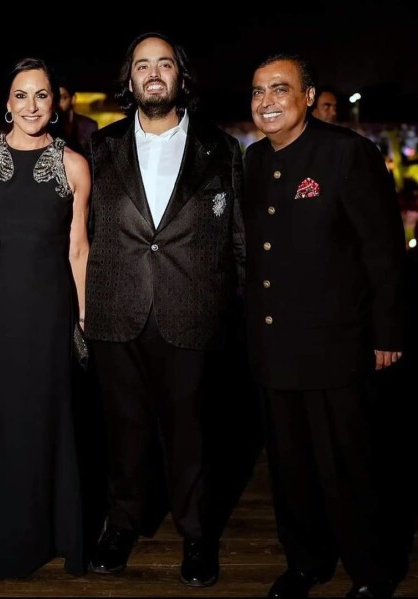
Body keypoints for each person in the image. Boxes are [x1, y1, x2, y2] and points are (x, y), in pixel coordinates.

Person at [243, 53, 409, 599]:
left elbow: (383, 251)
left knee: (353, 468)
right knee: (291, 472)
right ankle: (307, 563)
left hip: (339, 345)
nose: (266, 101)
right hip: (276, 346)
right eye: (258, 91)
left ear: (308, 97)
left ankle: (373, 570)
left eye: (280, 89)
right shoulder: (253, 163)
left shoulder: (348, 154)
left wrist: (388, 333)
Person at [84, 32, 245, 588]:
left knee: (192, 432)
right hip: (114, 310)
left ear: (181, 76)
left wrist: (236, 312)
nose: (153, 73)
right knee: (123, 430)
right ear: (129, 80)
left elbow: (239, 241)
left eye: (164, 64)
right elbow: (78, 235)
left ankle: (197, 534)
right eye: (142, 65)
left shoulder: (220, 149)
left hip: (193, 310)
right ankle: (122, 523)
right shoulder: (97, 148)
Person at [0, 57, 91, 579]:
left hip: (49, 311)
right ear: (6, 102)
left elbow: (79, 250)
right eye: (21, 95)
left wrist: (83, 322)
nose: (31, 105)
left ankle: (48, 531)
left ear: (54, 104)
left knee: (45, 419)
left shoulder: (74, 164)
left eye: (41, 96)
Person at [56, 80, 98, 159]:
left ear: (73, 99)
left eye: (62, 97)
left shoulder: (88, 125)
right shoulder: (50, 126)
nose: (58, 102)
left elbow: (94, 157)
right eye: (55, 98)